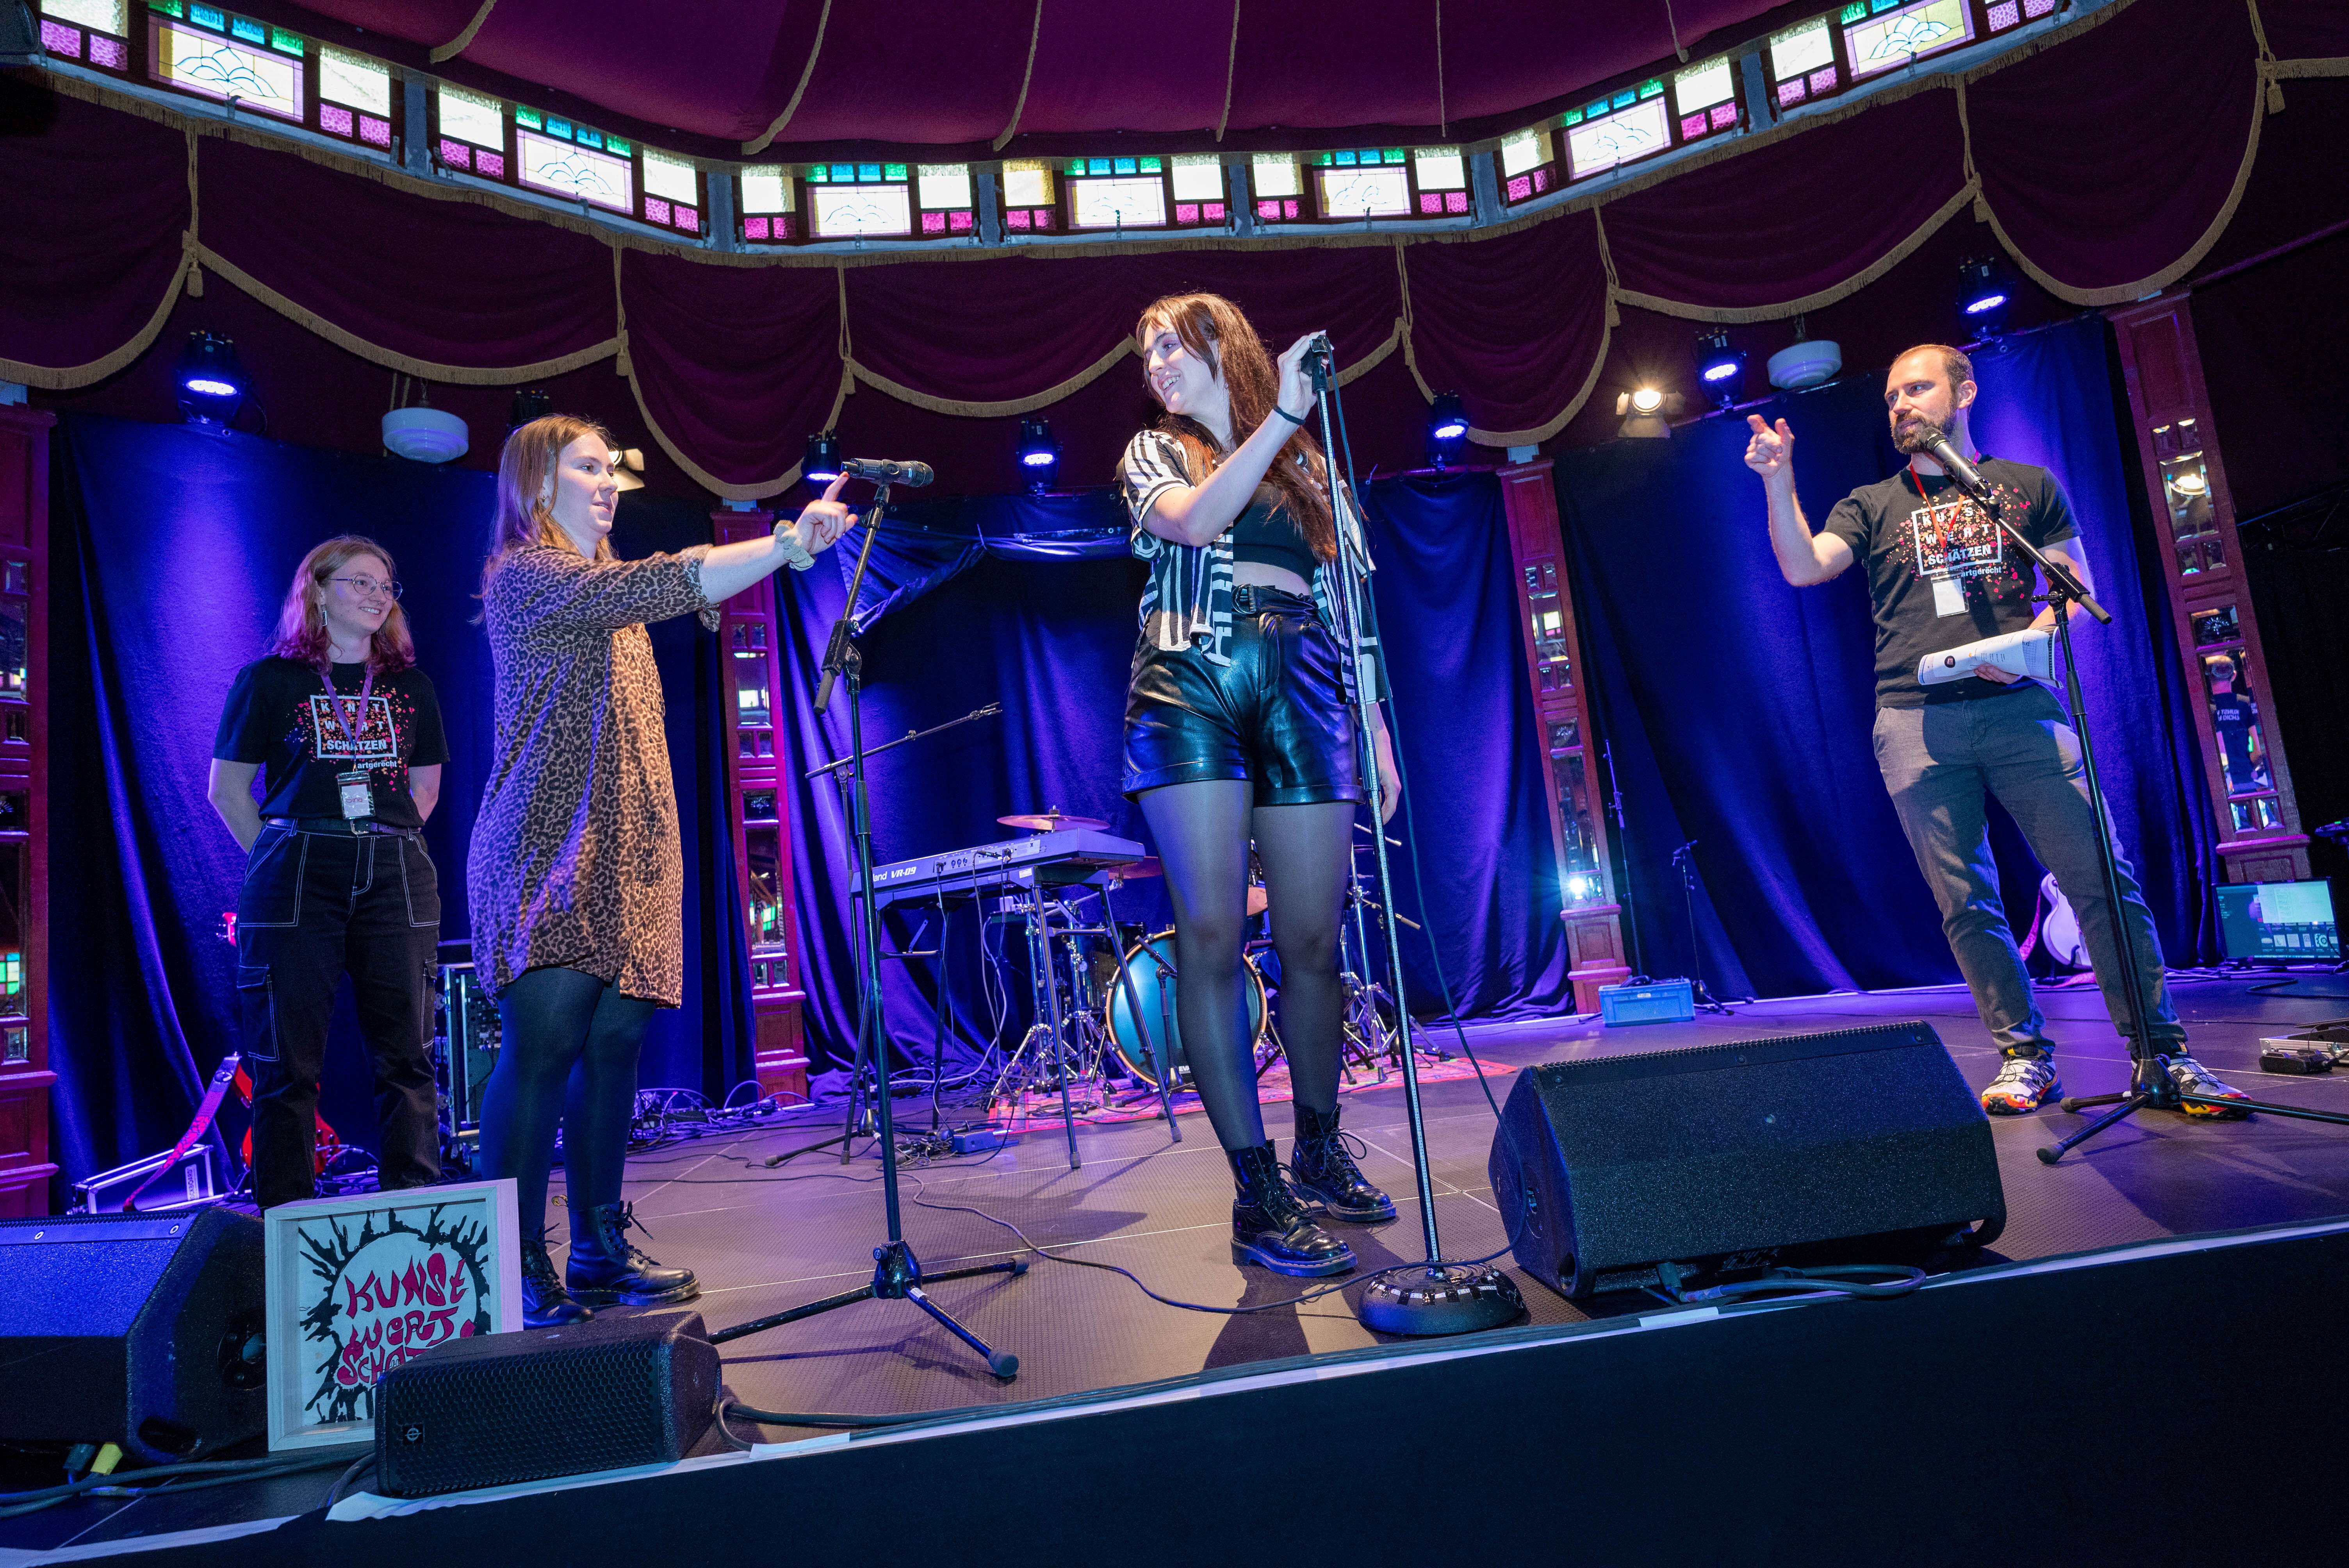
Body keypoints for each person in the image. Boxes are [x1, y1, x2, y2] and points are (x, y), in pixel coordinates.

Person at [1743, 344, 2246, 1118]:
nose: (1900, 405)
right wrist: (1778, 480)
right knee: (1966, 901)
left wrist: (2026, 651)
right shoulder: (1872, 503)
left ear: (1964, 392)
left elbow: (2074, 590)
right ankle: (2024, 1056)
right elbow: (1806, 566)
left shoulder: (2023, 487)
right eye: (1891, 396)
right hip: (1914, 721)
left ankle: (2163, 1054)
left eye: (1917, 388)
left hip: (2020, 710)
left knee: (2101, 879)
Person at [469, 415, 854, 1326]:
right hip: (547, 848)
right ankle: (508, 1267)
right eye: (588, 467)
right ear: (535, 482)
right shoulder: (527, 573)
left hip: (629, 852)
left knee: (613, 1050)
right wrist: (787, 543)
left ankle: (597, 1247)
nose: (610, 482)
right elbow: (664, 579)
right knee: (543, 1050)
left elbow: (664, 587)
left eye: (613, 469)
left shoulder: (608, 593)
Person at [1119, 292, 1403, 1278]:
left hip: (1307, 680)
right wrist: (1280, 415)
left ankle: (1318, 1148)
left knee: (1314, 940)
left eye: (1172, 343)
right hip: (1190, 679)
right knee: (1209, 932)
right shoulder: (1154, 452)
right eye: (1147, 352)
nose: (1156, 362)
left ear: (1223, 346)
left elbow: (1349, 603)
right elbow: (1194, 522)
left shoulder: (1310, 467)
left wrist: (1373, 727)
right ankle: (1256, 1190)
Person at [210, 537, 448, 1210]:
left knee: (407, 1059)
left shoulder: (411, 686)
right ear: (317, 590)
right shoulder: (270, 680)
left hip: (394, 867)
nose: (378, 596)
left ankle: (415, 1214)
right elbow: (227, 791)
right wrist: (283, 856)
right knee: (286, 1065)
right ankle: (287, 1222)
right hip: (297, 868)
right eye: (360, 582)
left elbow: (426, 789)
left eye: (386, 586)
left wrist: (376, 842)